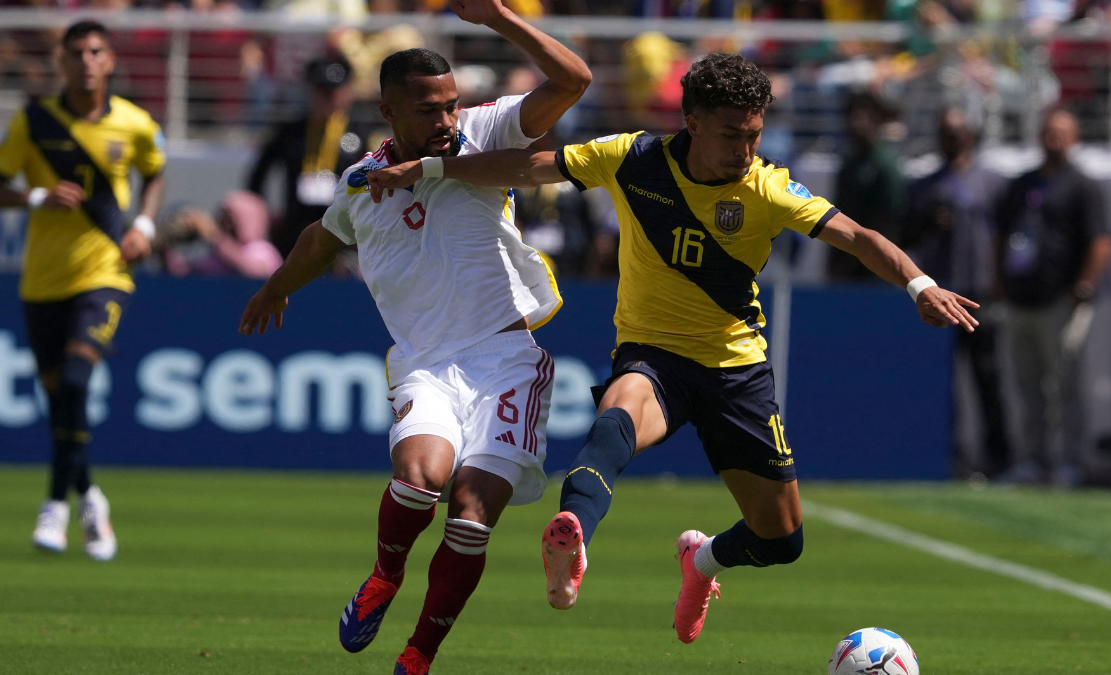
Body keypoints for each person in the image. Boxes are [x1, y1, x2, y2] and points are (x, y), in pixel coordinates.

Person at [366, 52, 978, 645]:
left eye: (755, 135)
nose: (746, 150)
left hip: (737, 371)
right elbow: (530, 167)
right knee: (616, 419)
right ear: (692, 123)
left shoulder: (769, 189)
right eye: (732, 135)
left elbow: (859, 236)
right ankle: (573, 536)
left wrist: (919, 284)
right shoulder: (631, 159)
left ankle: (703, 560)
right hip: (653, 355)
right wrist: (428, 170)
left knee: (780, 540)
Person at [238, 1, 590, 672]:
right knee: (419, 480)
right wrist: (279, 285)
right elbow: (321, 239)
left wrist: (498, 17)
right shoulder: (361, 179)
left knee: (468, 517)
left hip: (506, 360)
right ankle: (384, 575)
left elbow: (573, 81)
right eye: (429, 109)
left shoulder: (484, 134)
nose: (446, 121)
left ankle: (418, 655)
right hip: (427, 364)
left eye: (452, 105)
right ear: (392, 113)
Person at [0, 20, 166, 562]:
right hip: (42, 279)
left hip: (105, 273)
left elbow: (154, 172)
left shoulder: (135, 122)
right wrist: (35, 197)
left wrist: (143, 225)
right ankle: (90, 495)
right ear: (61, 62)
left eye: (96, 51)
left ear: (110, 60)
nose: (86, 61)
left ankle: (54, 506)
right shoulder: (34, 121)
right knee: (60, 400)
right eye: (76, 53)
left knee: (75, 379)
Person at [995, 108, 1111, 487]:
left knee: (1064, 385)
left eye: (1062, 133)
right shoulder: (1022, 184)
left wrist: (1083, 286)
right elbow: (998, 234)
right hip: (1020, 300)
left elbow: (1102, 241)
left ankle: (1069, 461)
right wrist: (997, 279)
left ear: (1075, 137)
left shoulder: (1083, 186)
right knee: (1027, 385)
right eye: (1048, 132)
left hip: (1058, 302)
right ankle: (1032, 459)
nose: (1054, 140)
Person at [902, 107, 1011, 477]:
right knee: (941, 386)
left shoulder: (993, 183)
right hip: (939, 296)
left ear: (971, 136)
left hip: (979, 295)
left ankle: (998, 460)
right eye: (944, 133)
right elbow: (905, 239)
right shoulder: (923, 186)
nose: (949, 140)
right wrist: (928, 221)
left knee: (987, 380)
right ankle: (947, 457)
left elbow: (1007, 237)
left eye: (956, 133)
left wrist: (1001, 285)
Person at [246, 55, 377, 258]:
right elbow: (258, 175)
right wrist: (264, 217)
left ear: (347, 93)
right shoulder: (290, 132)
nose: (328, 98)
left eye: (334, 91)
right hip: (295, 228)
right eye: (322, 91)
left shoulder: (362, 134)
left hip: (344, 232)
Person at [828, 92, 906, 282]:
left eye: (865, 117)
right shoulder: (847, 164)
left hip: (877, 263)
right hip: (846, 260)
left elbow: (891, 217)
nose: (857, 123)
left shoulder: (885, 164)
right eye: (853, 117)